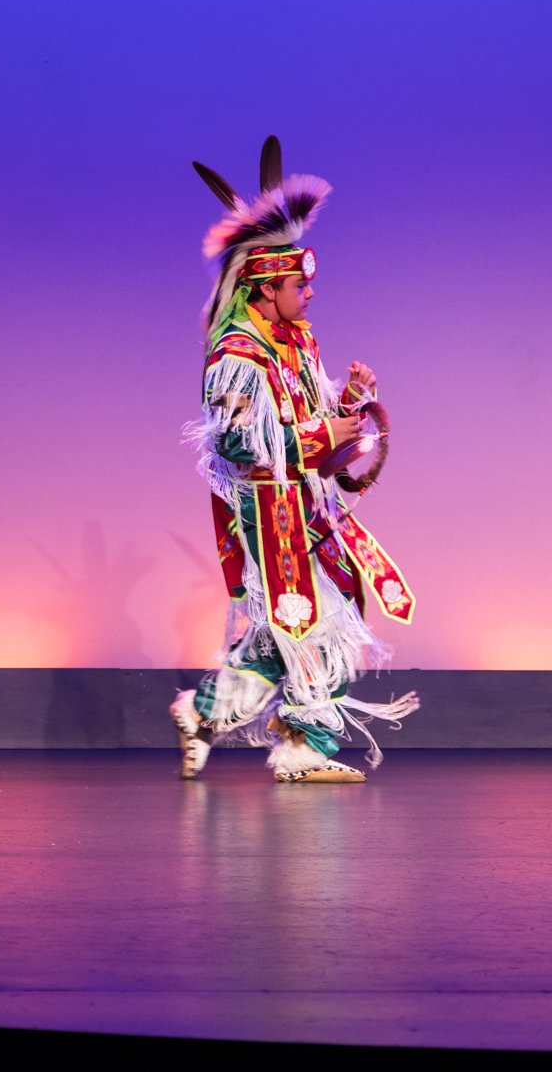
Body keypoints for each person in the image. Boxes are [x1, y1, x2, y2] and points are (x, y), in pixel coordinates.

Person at [169, 139, 419, 784]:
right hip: (267, 507)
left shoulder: (294, 340)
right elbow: (234, 443)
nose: (309, 293)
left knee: (305, 618)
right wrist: (318, 435)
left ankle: (204, 713)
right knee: (311, 619)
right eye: (298, 284)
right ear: (265, 285)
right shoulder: (236, 352)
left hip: (307, 501)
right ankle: (305, 747)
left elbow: (301, 410)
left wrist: (351, 401)